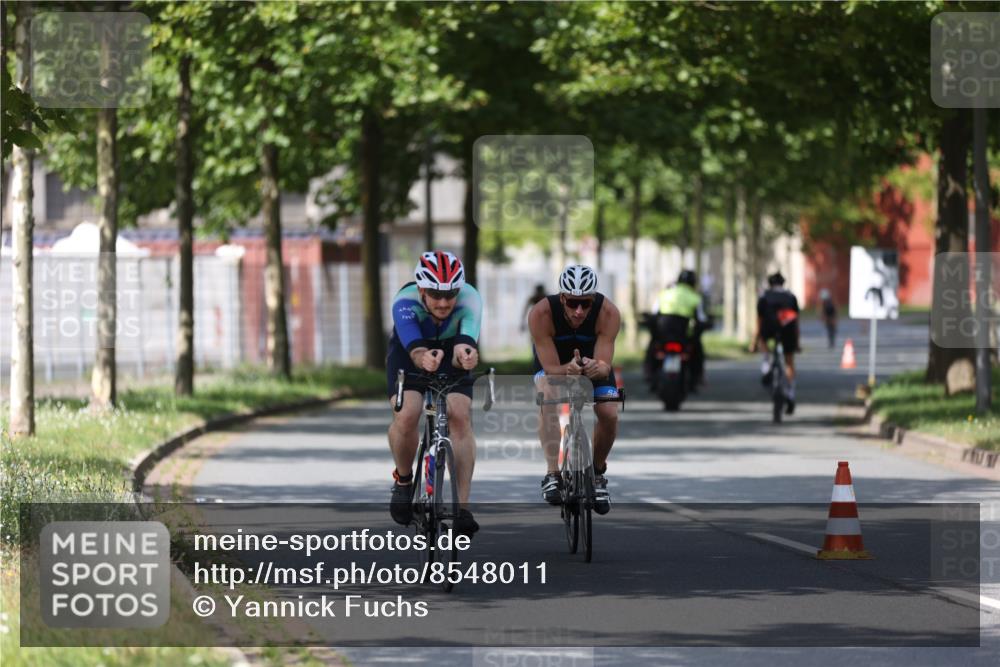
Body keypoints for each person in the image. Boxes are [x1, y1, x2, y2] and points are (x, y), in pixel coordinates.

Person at [386, 250, 482, 536]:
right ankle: (404, 481)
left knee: (461, 415)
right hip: (410, 353)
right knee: (408, 413)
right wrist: (422, 358)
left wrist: (465, 356)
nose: (443, 302)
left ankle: (462, 509)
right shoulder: (405, 301)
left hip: (451, 351)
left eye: (450, 294)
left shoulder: (470, 299)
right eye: (434, 294)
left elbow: (464, 343)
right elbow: (415, 350)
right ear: (421, 289)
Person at [527, 264, 621, 515]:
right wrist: (566, 369)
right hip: (555, 365)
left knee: (610, 412)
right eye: (572, 303)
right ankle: (552, 473)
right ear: (562, 298)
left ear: (594, 300)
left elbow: (604, 366)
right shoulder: (541, 313)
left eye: (586, 304)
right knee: (547, 395)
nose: (579, 311)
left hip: (592, 364)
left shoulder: (608, 313)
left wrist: (595, 368)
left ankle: (598, 473)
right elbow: (548, 367)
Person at [648, 269, 709, 390]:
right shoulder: (695, 297)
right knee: (697, 349)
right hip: (683, 334)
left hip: (663, 332)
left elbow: (654, 313)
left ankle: (650, 373)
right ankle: (697, 377)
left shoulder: (665, 293)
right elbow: (701, 319)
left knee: (652, 347)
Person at [752, 272, 801, 414]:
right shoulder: (791, 297)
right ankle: (790, 392)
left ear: (770, 284)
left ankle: (766, 362)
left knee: (763, 338)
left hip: (769, 329)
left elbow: (759, 322)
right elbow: (796, 322)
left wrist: (754, 342)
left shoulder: (764, 297)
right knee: (789, 361)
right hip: (787, 329)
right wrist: (797, 343)